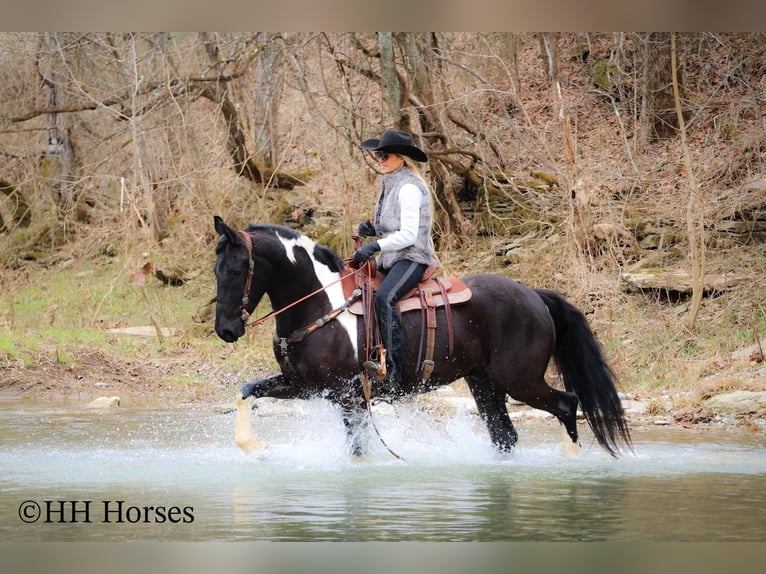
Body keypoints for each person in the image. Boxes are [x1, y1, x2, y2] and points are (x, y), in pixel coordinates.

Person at [352, 129, 436, 394]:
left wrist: (375, 245)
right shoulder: (391, 183)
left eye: (385, 154)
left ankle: (396, 374)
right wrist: (373, 230)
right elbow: (394, 227)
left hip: (413, 257)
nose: (380, 159)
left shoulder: (409, 187)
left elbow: (409, 235)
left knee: (383, 298)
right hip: (392, 257)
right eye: (378, 154)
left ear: (401, 158)